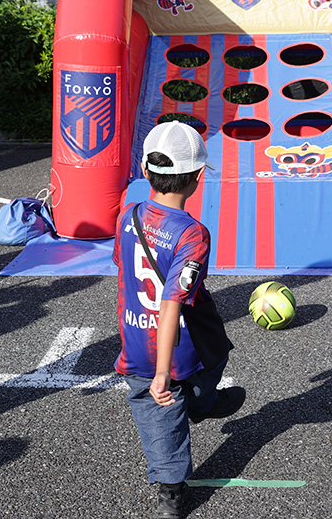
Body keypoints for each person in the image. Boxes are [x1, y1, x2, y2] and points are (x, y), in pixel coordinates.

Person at [113, 121, 245, 518]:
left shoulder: (129, 215)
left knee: (155, 413)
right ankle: (202, 404)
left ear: (145, 169)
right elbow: (172, 302)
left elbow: (124, 267)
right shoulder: (193, 234)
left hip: (135, 339)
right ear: (198, 176)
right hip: (180, 344)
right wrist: (163, 370)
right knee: (199, 368)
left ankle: (171, 491)